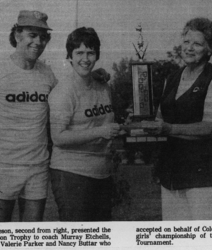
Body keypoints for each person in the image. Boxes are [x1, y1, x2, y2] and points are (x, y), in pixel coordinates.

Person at [0, 10, 110, 222]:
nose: (38, 42)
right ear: (17, 35)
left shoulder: (47, 73)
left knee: (31, 238)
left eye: (43, 37)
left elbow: (70, 90)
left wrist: (93, 74)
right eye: (32, 35)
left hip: (37, 167)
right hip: (4, 165)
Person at [142, 17, 212, 220]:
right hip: (172, 177)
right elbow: (160, 119)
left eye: (198, 44)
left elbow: (211, 127)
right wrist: (139, 123)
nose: (190, 48)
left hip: (206, 179)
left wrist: (169, 129)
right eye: (186, 42)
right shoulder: (172, 77)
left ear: (209, 50)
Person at [48, 27, 121, 221]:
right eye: (79, 53)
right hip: (72, 172)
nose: (85, 59)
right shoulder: (63, 91)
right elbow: (58, 137)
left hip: (101, 172)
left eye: (90, 53)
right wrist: (101, 131)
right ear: (69, 56)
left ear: (97, 55)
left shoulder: (103, 85)